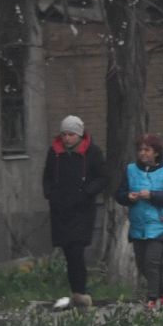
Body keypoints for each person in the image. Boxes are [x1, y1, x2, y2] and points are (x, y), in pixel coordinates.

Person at [42, 115, 108, 308]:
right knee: (68, 252)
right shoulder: (54, 153)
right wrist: (50, 194)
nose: (67, 138)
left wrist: (87, 192)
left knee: (77, 249)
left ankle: (81, 291)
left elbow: (102, 177)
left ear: (79, 135)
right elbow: (47, 177)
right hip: (61, 210)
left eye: (71, 134)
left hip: (82, 210)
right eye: (64, 134)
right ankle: (76, 292)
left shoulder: (92, 153)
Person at [115, 133, 163, 309]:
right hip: (138, 227)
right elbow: (119, 195)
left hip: (162, 226)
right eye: (140, 150)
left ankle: (151, 300)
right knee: (143, 265)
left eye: (147, 150)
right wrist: (128, 197)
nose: (142, 153)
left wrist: (152, 195)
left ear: (156, 153)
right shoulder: (130, 170)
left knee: (152, 262)